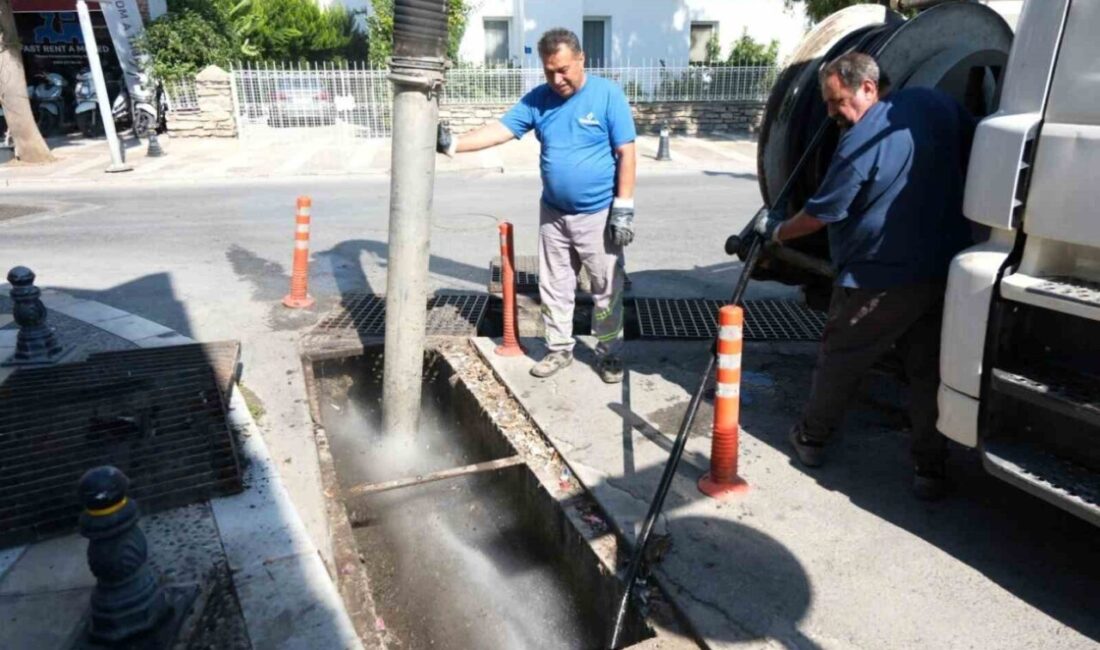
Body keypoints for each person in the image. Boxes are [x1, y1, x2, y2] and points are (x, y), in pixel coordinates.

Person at [755, 52, 976, 500]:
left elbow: (822, 213)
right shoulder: (935, 104)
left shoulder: (861, 141)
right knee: (926, 371)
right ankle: (930, 467)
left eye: (837, 101)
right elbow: (977, 148)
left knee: (842, 357)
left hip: (879, 276)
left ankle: (812, 438)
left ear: (869, 88)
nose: (831, 113)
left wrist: (776, 232)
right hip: (940, 270)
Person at [437, 28, 637, 384]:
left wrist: (623, 208)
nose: (556, 79)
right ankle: (559, 349)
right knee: (554, 287)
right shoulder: (539, 100)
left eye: (563, 70)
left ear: (581, 59)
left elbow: (627, 152)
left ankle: (609, 354)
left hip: (598, 215)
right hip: (554, 214)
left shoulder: (608, 95)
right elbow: (500, 130)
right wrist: (453, 144)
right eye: (549, 71)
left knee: (606, 288)